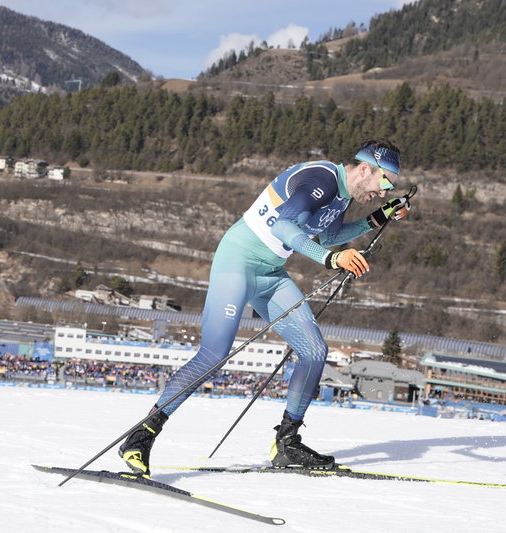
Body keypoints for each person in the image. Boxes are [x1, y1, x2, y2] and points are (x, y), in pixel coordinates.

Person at [119, 139, 411, 475]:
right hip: (238, 262)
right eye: (385, 182)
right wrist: (330, 260)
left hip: (269, 272)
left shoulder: (342, 195)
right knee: (214, 354)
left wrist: (381, 216)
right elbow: (283, 226)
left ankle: (287, 443)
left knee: (315, 351)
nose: (385, 191)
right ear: (364, 169)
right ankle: (141, 436)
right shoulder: (321, 179)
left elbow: (330, 237)